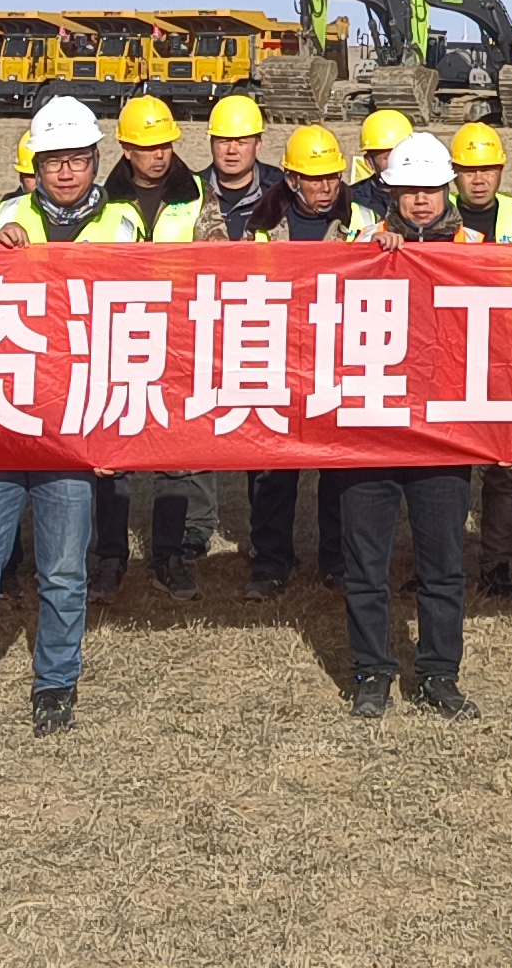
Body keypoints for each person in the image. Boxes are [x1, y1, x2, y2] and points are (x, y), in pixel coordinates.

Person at [0, 96, 112, 736]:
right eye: (53, 160)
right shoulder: (3, 218)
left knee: (63, 572)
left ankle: (55, 685)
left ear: (95, 161)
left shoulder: (123, 226)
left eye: (77, 159)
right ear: (35, 165)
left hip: (72, 429)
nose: (66, 172)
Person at [341, 137, 481, 719]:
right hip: (371, 430)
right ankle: (372, 671)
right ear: (390, 193)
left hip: (444, 433)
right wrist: (372, 258)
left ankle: (439, 674)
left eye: (430, 190)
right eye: (408, 191)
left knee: (443, 565)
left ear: (447, 189)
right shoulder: (360, 245)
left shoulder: (476, 250)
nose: (420, 201)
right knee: (364, 564)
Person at [89, 95, 217, 596]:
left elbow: (219, 255)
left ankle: (169, 556)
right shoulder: (102, 201)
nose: (158, 155)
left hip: (178, 338)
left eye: (164, 145)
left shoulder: (198, 195)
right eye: (147, 147)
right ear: (126, 149)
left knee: (175, 455)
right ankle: (110, 558)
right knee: (113, 454)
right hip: (117, 336)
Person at [240, 127, 374, 596]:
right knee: (272, 469)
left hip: (341, 359)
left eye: (332, 177)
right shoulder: (262, 225)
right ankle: (270, 562)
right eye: (315, 179)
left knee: (339, 469)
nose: (326, 187)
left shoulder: (363, 220)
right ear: (292, 179)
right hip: (278, 357)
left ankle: (337, 560)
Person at [445, 121, 512, 594]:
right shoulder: (436, 215)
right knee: (445, 470)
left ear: (501, 170)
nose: (478, 179)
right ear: (454, 174)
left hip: (505, 357)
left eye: (487, 170)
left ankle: (497, 566)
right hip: (450, 357)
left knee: (502, 471)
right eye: (468, 170)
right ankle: (439, 561)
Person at [198, 93, 281, 236]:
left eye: (241, 143)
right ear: (211, 144)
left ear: (258, 146)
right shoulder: (194, 192)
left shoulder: (279, 191)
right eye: (224, 141)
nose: (231, 150)